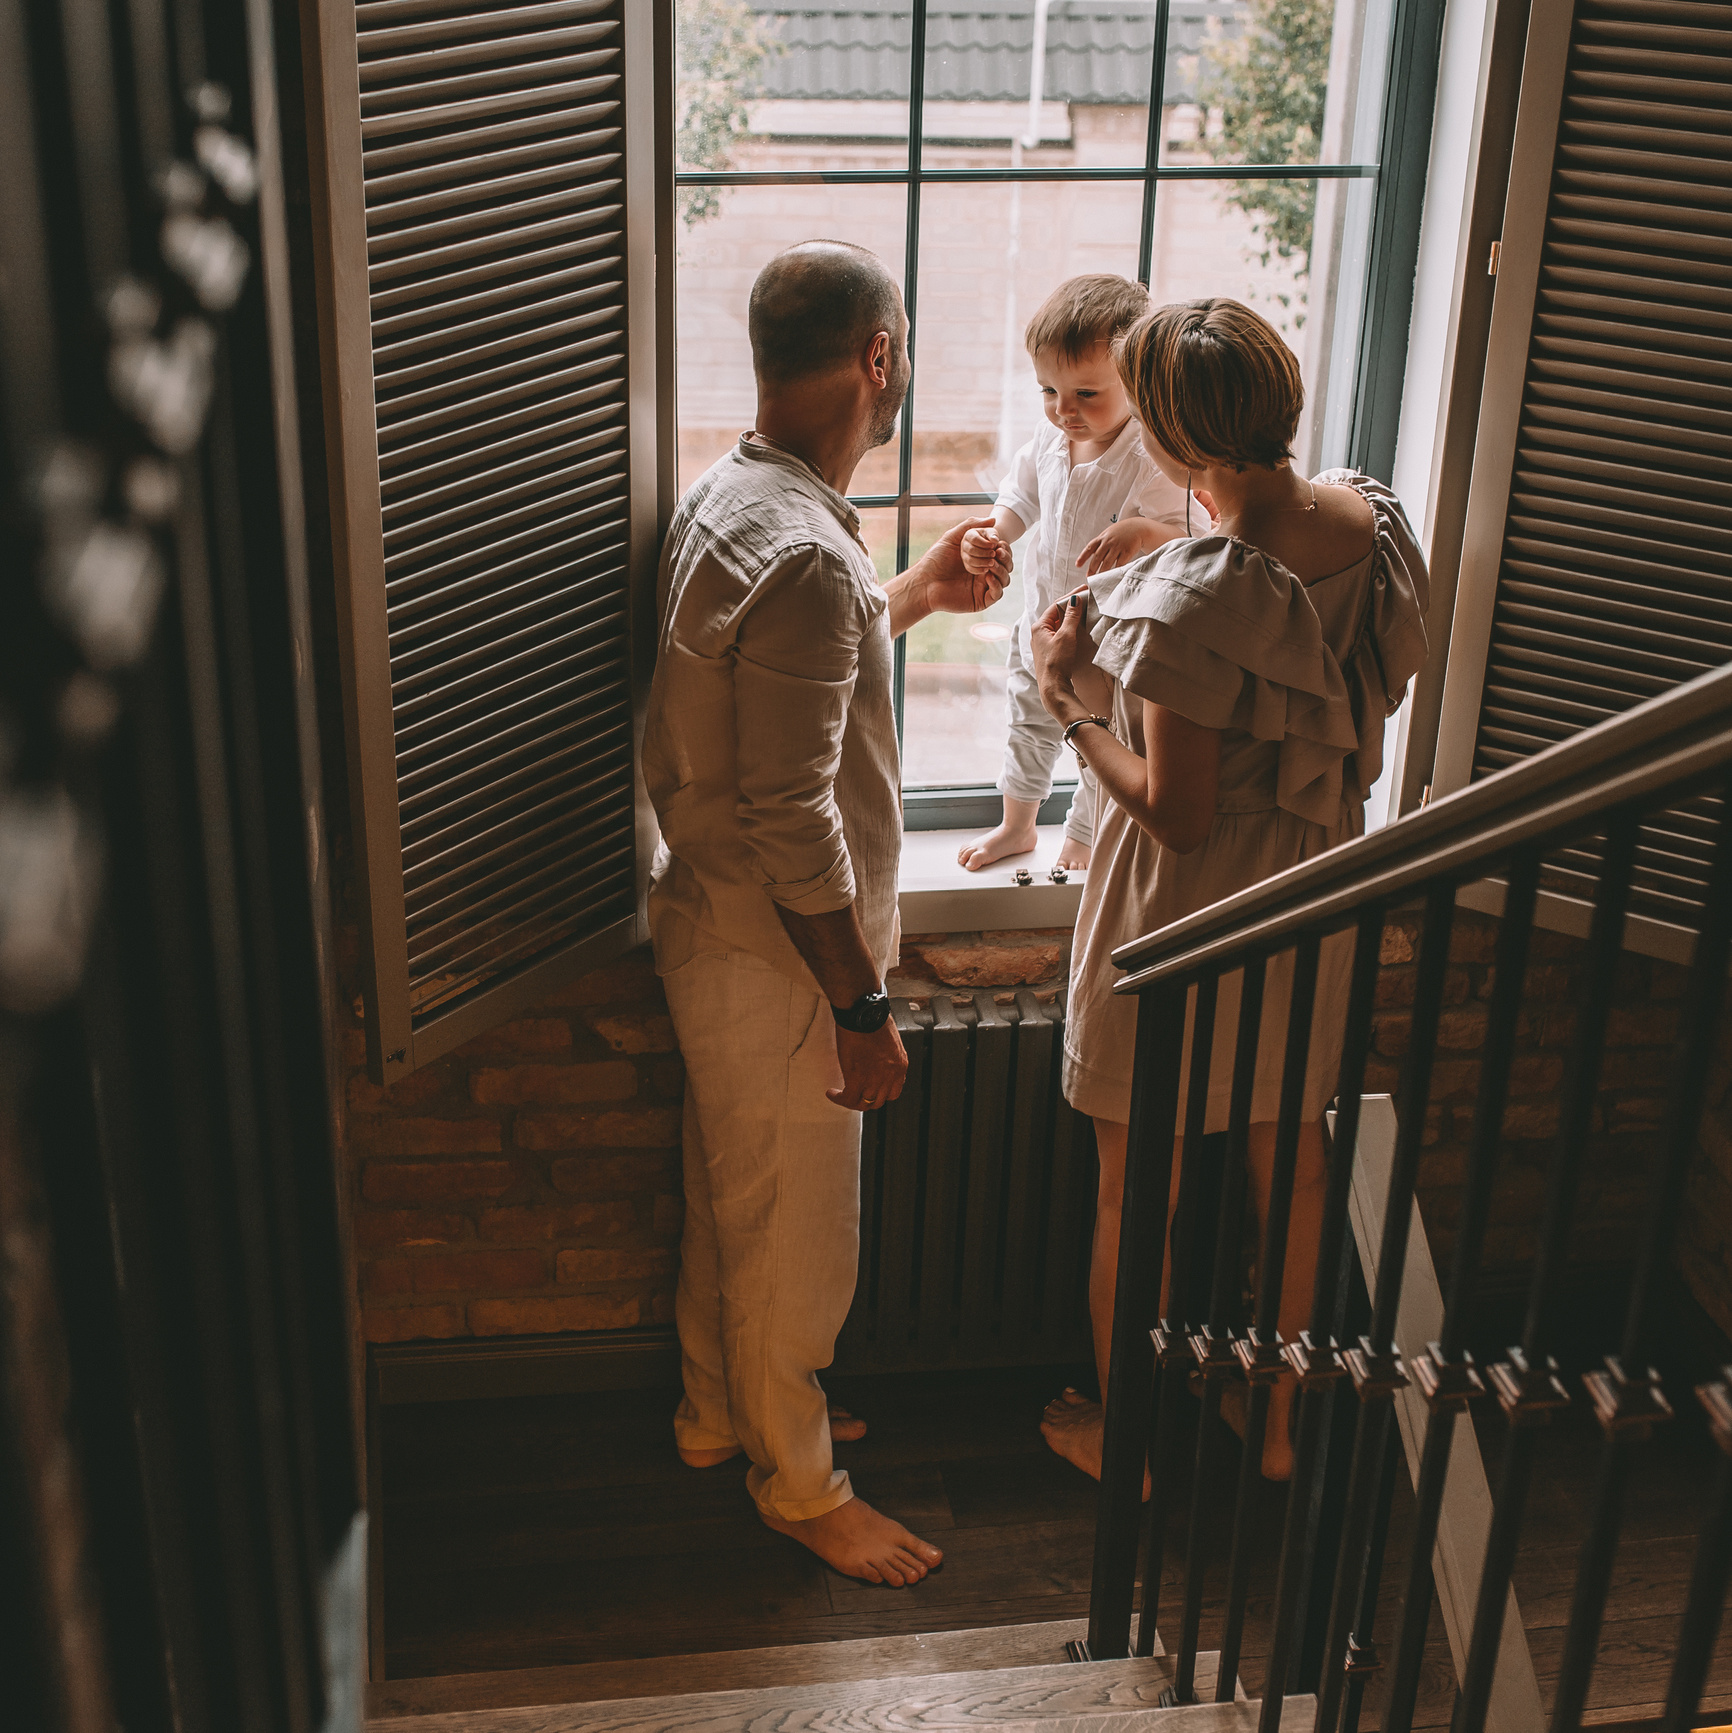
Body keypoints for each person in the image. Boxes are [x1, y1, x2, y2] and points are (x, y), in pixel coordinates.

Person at [643, 240, 1005, 1584]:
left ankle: (715, 1415)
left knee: (730, 1192)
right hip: (781, 956)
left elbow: (787, 683)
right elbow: (794, 812)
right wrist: (862, 1008)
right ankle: (799, 1481)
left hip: (710, 924)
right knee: (800, 1235)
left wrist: (919, 595)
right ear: (878, 357)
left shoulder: (734, 498)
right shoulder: (799, 548)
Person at [1030, 297, 1429, 1482]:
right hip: (1309, 888)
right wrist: (1178, 541)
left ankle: (1129, 1438)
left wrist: (1067, 699)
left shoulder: (1191, 600)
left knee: (1132, 1191)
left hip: (1183, 907)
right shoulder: (1372, 519)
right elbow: (1285, 597)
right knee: (1293, 1162)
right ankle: (1279, 1429)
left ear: (1165, 433)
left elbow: (1177, 807)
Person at [957, 275, 1192, 875]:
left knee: (1098, 744)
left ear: (1136, 382)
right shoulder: (1050, 439)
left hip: (1107, 639)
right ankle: (1017, 825)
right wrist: (997, 532)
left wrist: (1142, 533)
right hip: (1041, 621)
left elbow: (1186, 537)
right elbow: (1021, 498)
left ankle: (1086, 837)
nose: (1065, 410)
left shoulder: (1149, 452)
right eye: (1049, 391)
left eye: (1087, 394)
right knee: (1028, 723)